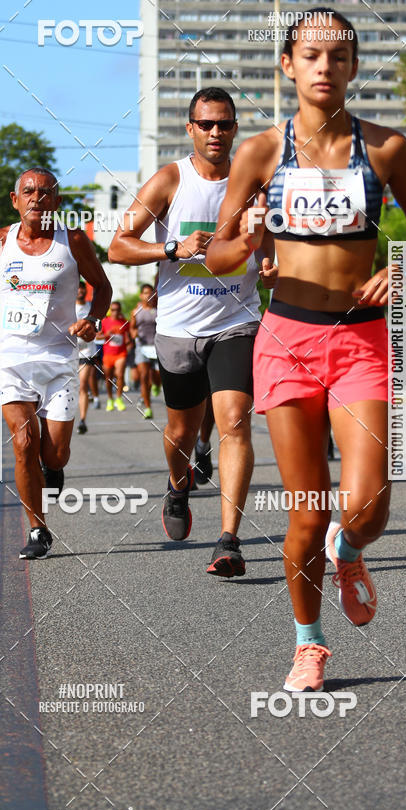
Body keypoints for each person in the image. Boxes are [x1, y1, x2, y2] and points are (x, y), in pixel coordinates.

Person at [206, 9, 406, 688]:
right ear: (288, 65)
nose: (324, 67)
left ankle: (352, 547)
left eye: (338, 57)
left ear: (354, 68)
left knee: (367, 503)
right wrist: (245, 242)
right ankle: (309, 643)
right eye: (311, 55)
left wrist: (402, 264)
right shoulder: (258, 153)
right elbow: (214, 258)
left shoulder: (387, 149)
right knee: (305, 513)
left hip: (361, 340)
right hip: (287, 339)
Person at [109, 87, 277, 577]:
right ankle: (178, 484)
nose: (216, 133)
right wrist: (172, 250)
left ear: (235, 129)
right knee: (181, 430)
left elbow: (275, 246)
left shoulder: (256, 185)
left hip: (237, 320)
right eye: (207, 124)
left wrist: (272, 266)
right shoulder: (169, 180)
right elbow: (118, 247)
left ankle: (229, 540)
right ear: (191, 129)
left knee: (235, 422)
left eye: (225, 124)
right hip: (179, 328)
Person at [0, 167, 111, 559]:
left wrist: (91, 320)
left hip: (59, 358)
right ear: (14, 198)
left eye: (45, 192)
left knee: (54, 455)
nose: (36, 197)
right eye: (29, 191)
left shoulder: (71, 241)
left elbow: (103, 288)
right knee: (23, 442)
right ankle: (38, 529)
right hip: (11, 357)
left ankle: (52, 469)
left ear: (57, 201)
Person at [129, 283, 158, 419]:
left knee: (158, 376)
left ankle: (157, 384)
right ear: (141, 295)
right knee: (144, 377)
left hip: (156, 346)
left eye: (150, 292)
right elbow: (132, 327)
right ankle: (148, 408)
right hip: (142, 347)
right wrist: (133, 333)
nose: (148, 295)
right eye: (145, 293)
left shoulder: (159, 309)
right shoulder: (136, 311)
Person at [98, 301, 131, 411]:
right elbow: (97, 337)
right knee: (108, 378)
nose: (115, 312)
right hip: (108, 354)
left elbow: (128, 336)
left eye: (117, 310)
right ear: (110, 311)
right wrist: (106, 335)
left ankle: (118, 398)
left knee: (120, 375)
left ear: (120, 310)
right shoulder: (105, 322)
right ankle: (110, 398)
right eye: (113, 310)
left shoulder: (124, 322)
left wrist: (129, 342)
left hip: (121, 353)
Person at [75, 281, 99, 434]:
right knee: (74, 388)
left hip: (87, 352)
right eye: (77, 289)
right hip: (69, 352)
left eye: (82, 289)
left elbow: (98, 325)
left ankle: (82, 420)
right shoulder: (67, 307)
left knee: (82, 385)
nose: (80, 291)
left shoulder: (91, 307)